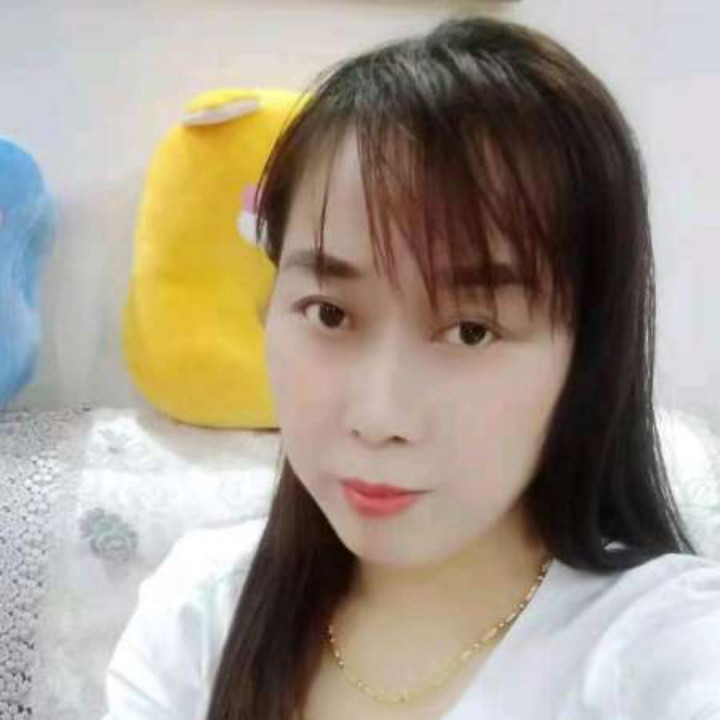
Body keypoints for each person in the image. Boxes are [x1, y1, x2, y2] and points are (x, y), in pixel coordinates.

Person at [101, 14, 720, 720]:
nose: (379, 416)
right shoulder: (200, 617)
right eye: (329, 313)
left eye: (471, 331)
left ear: (587, 354)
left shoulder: (660, 648)